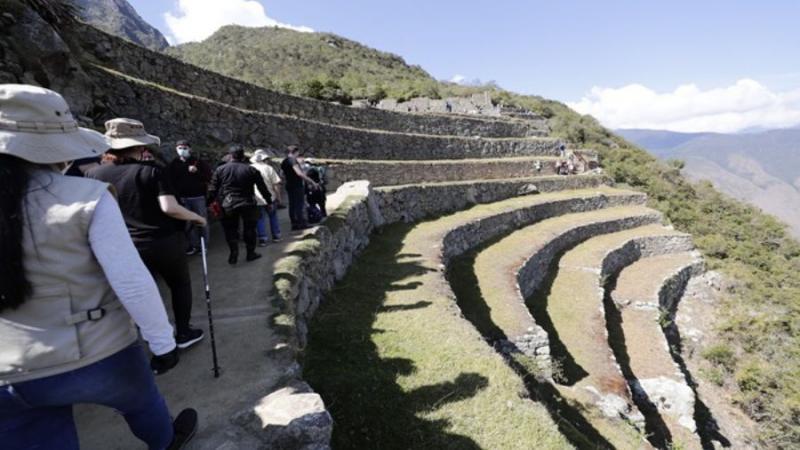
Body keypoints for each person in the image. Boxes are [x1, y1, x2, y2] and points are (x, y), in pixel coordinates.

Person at [0, 84, 197, 449]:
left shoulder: (92, 181)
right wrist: (162, 341)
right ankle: (167, 441)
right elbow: (131, 280)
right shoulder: (82, 198)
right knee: (143, 405)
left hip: (10, 368)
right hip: (98, 351)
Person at [87, 118, 206, 350]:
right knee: (179, 284)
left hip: (125, 244)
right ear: (141, 147)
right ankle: (183, 332)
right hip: (163, 240)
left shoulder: (94, 175)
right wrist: (197, 218)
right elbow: (169, 207)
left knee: (141, 292)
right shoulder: (151, 171)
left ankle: (154, 338)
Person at [209, 145, 274, 264]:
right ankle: (250, 253)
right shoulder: (251, 170)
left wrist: (209, 202)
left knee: (230, 229)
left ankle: (233, 252)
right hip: (247, 202)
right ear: (243, 156)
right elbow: (262, 188)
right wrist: (268, 201)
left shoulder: (220, 170)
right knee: (249, 229)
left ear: (230, 156)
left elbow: (213, 188)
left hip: (228, 203)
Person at [167, 140, 212, 255]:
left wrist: (197, 172)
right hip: (182, 198)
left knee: (202, 221)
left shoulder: (198, 162)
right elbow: (170, 181)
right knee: (187, 223)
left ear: (190, 149)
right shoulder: (174, 164)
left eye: (185, 147)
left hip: (198, 197)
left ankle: (204, 246)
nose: (182, 150)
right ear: (176, 149)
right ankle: (194, 245)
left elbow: (208, 178)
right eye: (180, 147)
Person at [281, 146, 320, 230]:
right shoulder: (293, 160)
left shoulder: (284, 161)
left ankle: (294, 224)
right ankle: (301, 223)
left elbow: (282, 175)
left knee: (292, 205)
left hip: (289, 185)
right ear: (295, 152)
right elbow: (299, 173)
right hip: (297, 185)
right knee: (299, 205)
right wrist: (312, 182)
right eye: (298, 153)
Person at [250, 149, 282, 246]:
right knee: (273, 216)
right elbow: (276, 184)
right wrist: (279, 197)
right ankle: (276, 235)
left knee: (260, 219)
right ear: (265, 158)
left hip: (257, 199)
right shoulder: (269, 168)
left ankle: (262, 238)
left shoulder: (250, 168)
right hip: (270, 197)